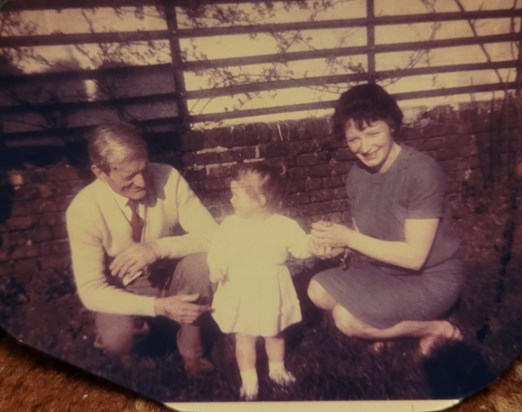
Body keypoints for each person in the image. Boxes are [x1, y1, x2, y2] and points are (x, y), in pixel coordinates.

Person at [308, 83, 464, 356]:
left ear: (391, 126)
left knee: (345, 319)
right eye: (354, 139)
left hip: (432, 279)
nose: (365, 147)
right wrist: (335, 246)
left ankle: (435, 328)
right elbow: (362, 236)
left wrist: (348, 238)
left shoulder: (421, 171)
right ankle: (389, 323)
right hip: (386, 273)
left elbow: (414, 257)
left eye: (372, 133)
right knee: (317, 290)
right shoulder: (357, 175)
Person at [65, 122, 218, 377]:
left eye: (144, 169)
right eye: (128, 176)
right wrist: (158, 307)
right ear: (100, 173)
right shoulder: (83, 210)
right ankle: (137, 340)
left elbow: (213, 235)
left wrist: (157, 248)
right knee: (117, 340)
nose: (142, 182)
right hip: (125, 286)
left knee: (201, 264)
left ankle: (193, 353)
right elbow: (91, 291)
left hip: (170, 275)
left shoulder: (168, 177)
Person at [207, 164, 319, 400]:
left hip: (271, 289)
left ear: (260, 200)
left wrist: (314, 245)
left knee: (274, 332)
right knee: (244, 336)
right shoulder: (230, 225)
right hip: (241, 288)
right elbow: (218, 250)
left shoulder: (283, 225)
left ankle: (277, 369)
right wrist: (217, 267)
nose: (232, 199)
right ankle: (250, 381)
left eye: (237, 195)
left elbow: (300, 247)